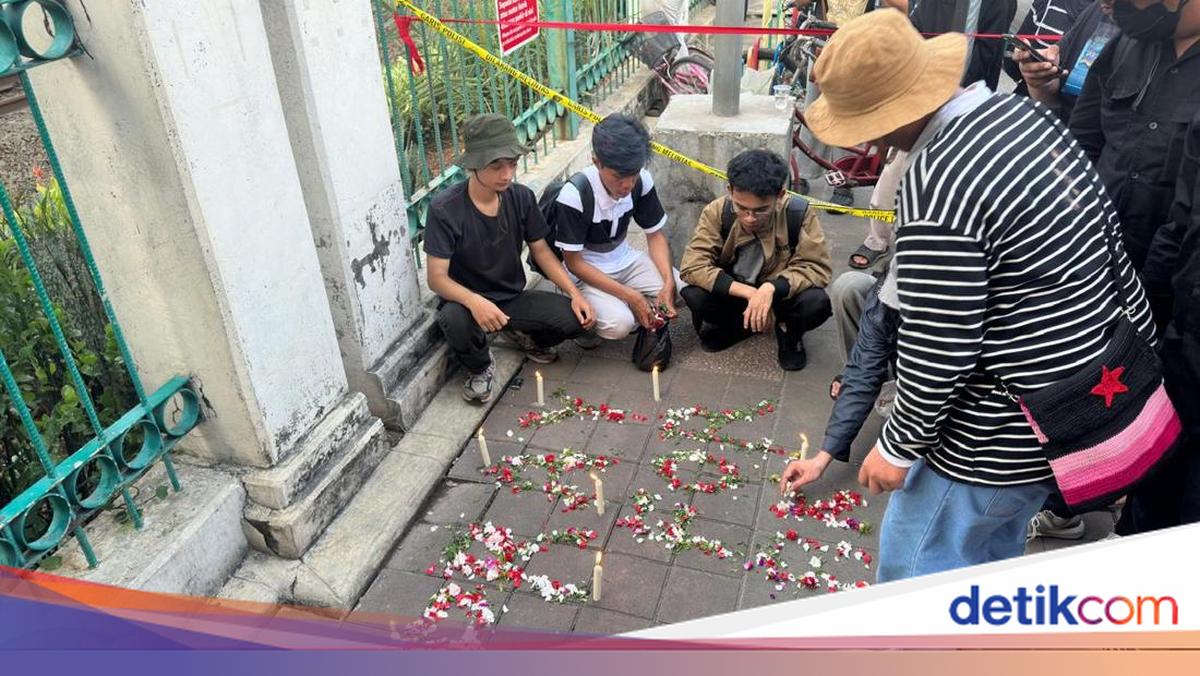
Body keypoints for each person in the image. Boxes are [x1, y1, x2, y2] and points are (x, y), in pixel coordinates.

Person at [783, 8, 1154, 581]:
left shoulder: (939, 176)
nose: (868, 140)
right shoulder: (1024, 116)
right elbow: (1109, 244)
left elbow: (942, 337)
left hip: (998, 430)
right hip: (1075, 396)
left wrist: (898, 445)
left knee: (917, 567)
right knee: (986, 558)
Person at [1020, 0, 1200, 536]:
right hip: (1100, 263)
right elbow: (1081, 142)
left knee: (1167, 417)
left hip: (1175, 285)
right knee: (1083, 385)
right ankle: (1069, 500)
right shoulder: (1125, 44)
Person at [425, 114, 596, 404]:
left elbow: (541, 251)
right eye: (496, 166)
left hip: (510, 298)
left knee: (576, 319)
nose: (506, 174)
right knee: (452, 319)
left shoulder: (521, 197)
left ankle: (523, 336)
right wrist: (474, 301)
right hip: (466, 302)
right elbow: (436, 278)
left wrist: (574, 293)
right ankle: (480, 367)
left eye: (512, 164)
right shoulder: (445, 209)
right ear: (474, 164)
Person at [847, 0, 1017, 271]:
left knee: (944, 185)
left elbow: (991, 50)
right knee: (896, 168)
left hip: (965, 96)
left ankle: (910, 253)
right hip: (921, 86)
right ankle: (878, 239)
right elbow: (912, 27)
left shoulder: (998, 3)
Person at [678, 149, 833, 371]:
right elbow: (693, 266)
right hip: (736, 293)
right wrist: (751, 294)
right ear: (730, 191)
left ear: (780, 196)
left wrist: (771, 289)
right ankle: (739, 326)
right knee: (694, 295)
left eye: (761, 210)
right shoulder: (717, 211)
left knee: (817, 302)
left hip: (780, 296)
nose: (750, 218)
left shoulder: (798, 213)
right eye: (742, 208)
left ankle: (789, 334)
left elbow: (816, 267)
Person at [553, 114, 680, 341]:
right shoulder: (574, 195)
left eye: (633, 175)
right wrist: (631, 296)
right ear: (597, 162)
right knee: (619, 324)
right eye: (619, 177)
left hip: (626, 260)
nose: (627, 185)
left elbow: (655, 235)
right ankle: (589, 315)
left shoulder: (642, 181)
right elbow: (574, 263)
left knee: (681, 288)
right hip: (587, 271)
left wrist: (668, 282)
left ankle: (628, 304)